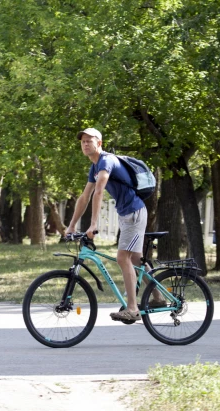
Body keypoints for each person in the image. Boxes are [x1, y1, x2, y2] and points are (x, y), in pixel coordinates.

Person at [65, 127, 154, 322]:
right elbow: (84, 196)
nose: (86, 143)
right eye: (83, 141)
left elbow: (99, 191)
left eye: (90, 140)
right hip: (128, 214)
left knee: (123, 258)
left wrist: (93, 224)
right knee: (136, 259)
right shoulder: (94, 166)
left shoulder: (106, 160)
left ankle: (132, 308)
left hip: (134, 213)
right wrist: (71, 225)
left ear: (100, 143)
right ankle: (159, 297)